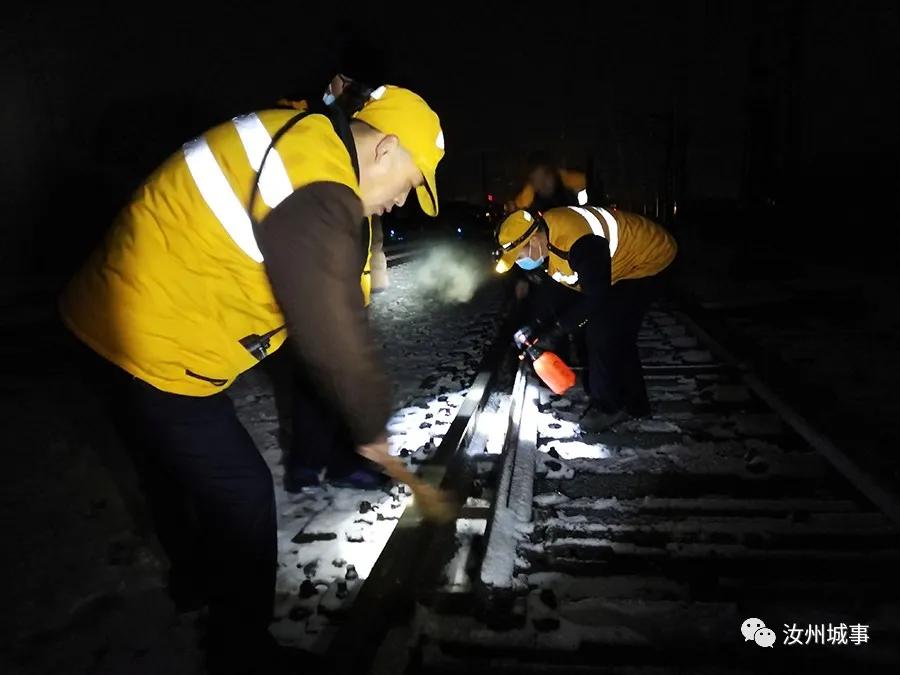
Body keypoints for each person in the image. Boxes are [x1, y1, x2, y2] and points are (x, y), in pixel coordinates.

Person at [59, 84, 444, 673]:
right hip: (152, 342)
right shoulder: (319, 181)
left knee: (166, 471)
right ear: (386, 148)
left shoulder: (305, 147)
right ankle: (242, 651)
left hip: (107, 317)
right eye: (412, 181)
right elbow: (328, 322)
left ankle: (193, 583)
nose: (402, 201)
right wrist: (368, 424)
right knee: (241, 493)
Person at [276, 41, 394, 490]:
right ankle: (316, 461)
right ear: (336, 79)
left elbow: (369, 213)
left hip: (345, 270)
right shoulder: (303, 121)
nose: (356, 98)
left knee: (327, 368)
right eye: (352, 87)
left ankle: (332, 461)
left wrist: (375, 265)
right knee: (322, 369)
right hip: (312, 269)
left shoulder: (356, 130)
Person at [494, 205, 676, 432]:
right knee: (618, 335)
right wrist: (535, 327)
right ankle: (636, 405)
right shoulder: (549, 244)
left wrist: (558, 329)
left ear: (534, 240)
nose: (521, 263)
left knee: (603, 331)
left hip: (649, 258)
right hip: (621, 267)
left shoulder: (579, 242)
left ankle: (609, 406)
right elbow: (555, 292)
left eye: (520, 256)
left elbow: (596, 298)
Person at [505, 151, 589, 213]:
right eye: (537, 182)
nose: (543, 186)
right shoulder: (529, 194)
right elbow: (517, 206)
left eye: (545, 178)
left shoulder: (570, 180)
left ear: (552, 173)